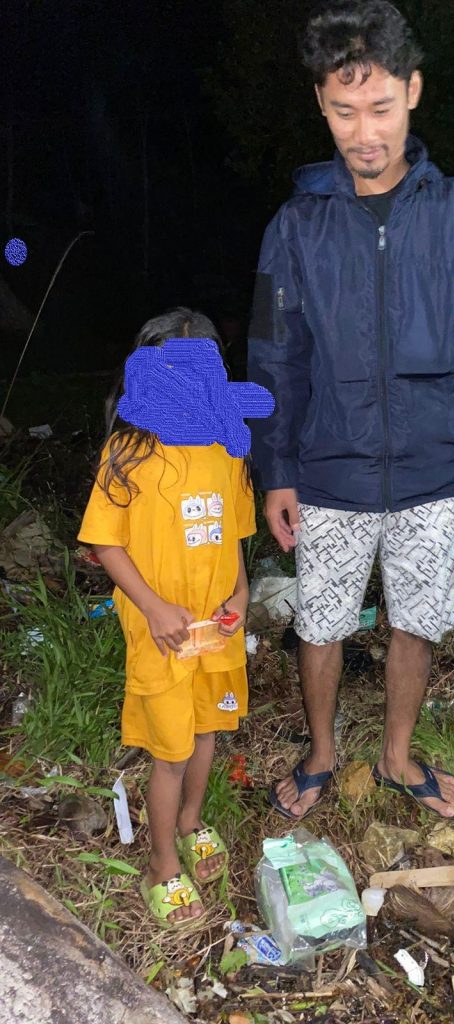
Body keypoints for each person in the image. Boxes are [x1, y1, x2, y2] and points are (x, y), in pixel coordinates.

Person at [249, 0, 454, 821]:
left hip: (431, 465)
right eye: (343, 110)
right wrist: (277, 471)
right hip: (328, 467)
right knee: (323, 621)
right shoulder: (297, 224)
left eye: (380, 108)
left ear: (413, 92)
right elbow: (273, 356)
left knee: (418, 617)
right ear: (320, 107)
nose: (363, 131)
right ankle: (325, 752)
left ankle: (399, 757)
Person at [78, 309, 258, 928]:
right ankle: (161, 863)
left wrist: (241, 590)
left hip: (215, 627)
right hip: (163, 632)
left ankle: (190, 822)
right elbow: (105, 543)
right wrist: (152, 607)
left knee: (207, 731)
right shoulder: (127, 453)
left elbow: (233, 530)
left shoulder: (225, 444)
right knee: (171, 753)